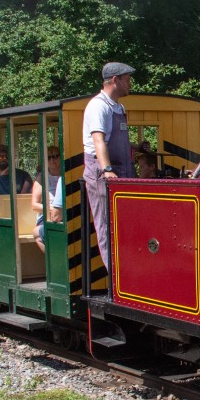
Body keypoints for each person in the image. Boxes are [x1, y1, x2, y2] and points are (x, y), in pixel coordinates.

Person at [82, 61, 138, 272]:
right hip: (103, 172)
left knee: (125, 227)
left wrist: (136, 147)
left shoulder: (117, 107)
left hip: (123, 171)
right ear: (115, 80)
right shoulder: (98, 106)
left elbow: (116, 138)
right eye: (127, 79)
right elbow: (98, 140)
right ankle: (116, 279)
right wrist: (107, 170)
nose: (130, 84)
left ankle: (128, 272)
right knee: (107, 227)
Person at [32, 146, 62, 252]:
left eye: (55, 156)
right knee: (39, 236)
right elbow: (34, 205)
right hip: (46, 216)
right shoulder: (41, 178)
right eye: (48, 157)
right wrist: (53, 209)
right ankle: (53, 260)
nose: (52, 160)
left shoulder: (67, 174)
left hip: (63, 213)